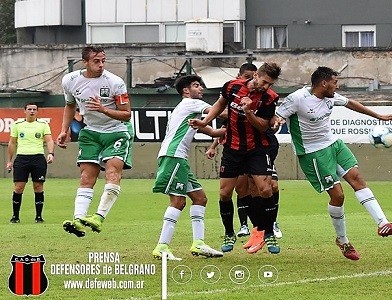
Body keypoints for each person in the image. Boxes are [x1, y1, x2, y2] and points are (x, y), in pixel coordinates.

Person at [274, 66, 392, 261]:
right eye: (335, 82)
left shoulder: (330, 97)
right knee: (338, 196)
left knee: (358, 179)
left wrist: (379, 116)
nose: (337, 86)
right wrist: (276, 121)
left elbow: (350, 103)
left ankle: (383, 223)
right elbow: (278, 116)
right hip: (312, 153)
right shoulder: (298, 98)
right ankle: (343, 241)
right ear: (324, 83)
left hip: (333, 144)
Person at [190, 62, 282, 254]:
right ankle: (229, 233)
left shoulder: (269, 98)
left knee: (266, 189)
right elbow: (220, 104)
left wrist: (248, 111)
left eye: (270, 84)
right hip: (232, 148)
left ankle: (269, 232)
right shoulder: (232, 86)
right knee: (225, 193)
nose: (266, 87)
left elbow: (263, 127)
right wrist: (205, 122)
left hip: (256, 148)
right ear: (255, 75)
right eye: (265, 82)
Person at [57, 45, 133, 238]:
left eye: (103, 61)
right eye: (96, 61)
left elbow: (126, 115)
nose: (100, 65)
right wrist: (64, 131)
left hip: (116, 132)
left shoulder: (115, 82)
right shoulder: (70, 80)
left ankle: (98, 217)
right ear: (85, 62)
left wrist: (104, 109)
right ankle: (78, 220)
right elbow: (69, 105)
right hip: (90, 133)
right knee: (85, 178)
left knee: (112, 173)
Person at [151, 75, 225, 260]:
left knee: (200, 198)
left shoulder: (191, 112)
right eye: (196, 85)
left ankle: (199, 243)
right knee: (178, 201)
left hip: (178, 158)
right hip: (173, 156)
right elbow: (220, 113)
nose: (201, 89)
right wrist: (242, 112)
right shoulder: (189, 104)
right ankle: (161, 246)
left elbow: (214, 131)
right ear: (186, 90)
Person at [6, 103, 54, 224]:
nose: (32, 111)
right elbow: (12, 143)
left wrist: (51, 153)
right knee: (18, 187)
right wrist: (9, 161)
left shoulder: (43, 125)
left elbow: (49, 140)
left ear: (37, 111)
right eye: (29, 109)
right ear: (25, 111)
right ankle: (15, 216)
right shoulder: (17, 125)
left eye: (34, 109)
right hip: (22, 158)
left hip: (38, 158)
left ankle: (39, 216)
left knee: (38, 187)